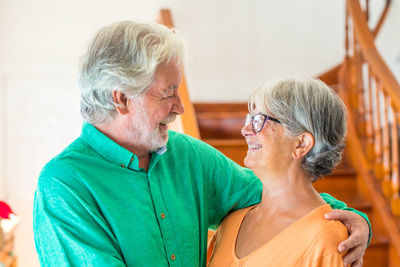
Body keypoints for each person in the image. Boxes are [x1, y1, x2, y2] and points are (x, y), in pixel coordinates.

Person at [33, 21, 370, 267]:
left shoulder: (188, 156)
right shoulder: (64, 186)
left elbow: (278, 194)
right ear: (121, 98)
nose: (179, 107)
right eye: (168, 93)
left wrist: (353, 219)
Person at [207, 78, 360, 266]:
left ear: (301, 143)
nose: (245, 130)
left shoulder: (326, 240)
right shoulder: (232, 221)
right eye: (250, 119)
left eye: (259, 120)